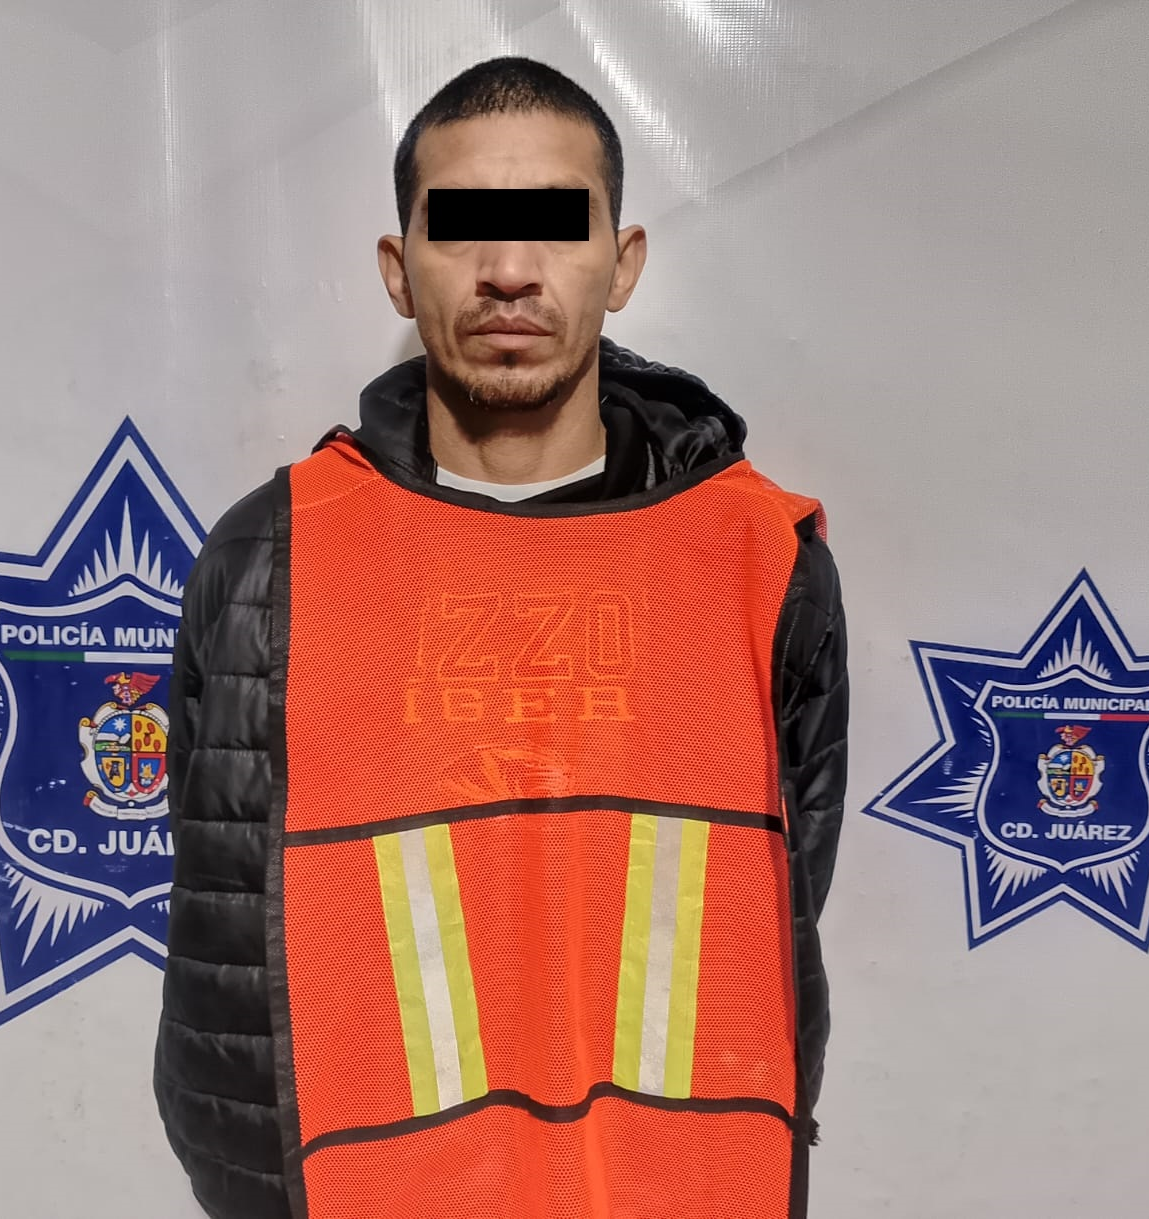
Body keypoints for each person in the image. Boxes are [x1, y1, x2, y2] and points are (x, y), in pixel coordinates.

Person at [153, 55, 848, 1219]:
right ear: (397, 269)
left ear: (622, 262)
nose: (511, 270)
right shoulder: (270, 556)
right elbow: (228, 945)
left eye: (557, 226)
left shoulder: (760, 558)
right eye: (463, 226)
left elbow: (780, 921)